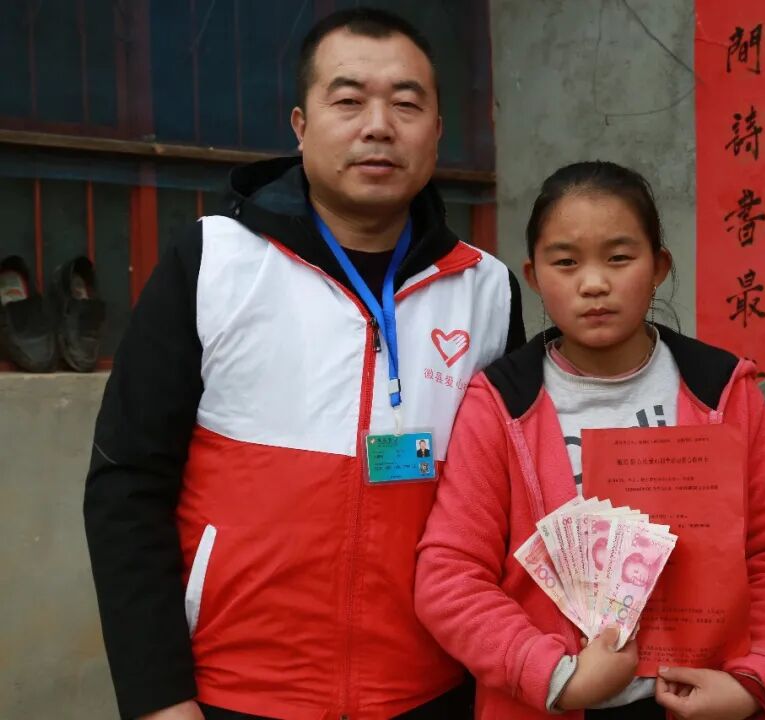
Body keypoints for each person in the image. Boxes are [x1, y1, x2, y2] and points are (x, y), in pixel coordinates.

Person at [83, 8, 523, 720]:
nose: (378, 126)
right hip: (235, 694)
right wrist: (158, 698)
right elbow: (127, 485)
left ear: (438, 129)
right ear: (300, 123)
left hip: (432, 693)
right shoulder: (214, 261)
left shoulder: (486, 290)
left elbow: (507, 503)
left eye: (406, 103)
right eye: (348, 100)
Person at [414, 161, 765, 719]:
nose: (594, 283)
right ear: (534, 276)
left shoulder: (722, 392)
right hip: (551, 704)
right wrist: (554, 676)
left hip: (702, 703)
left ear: (659, 267)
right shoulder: (501, 404)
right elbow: (450, 576)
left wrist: (754, 679)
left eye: (619, 258)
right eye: (566, 262)